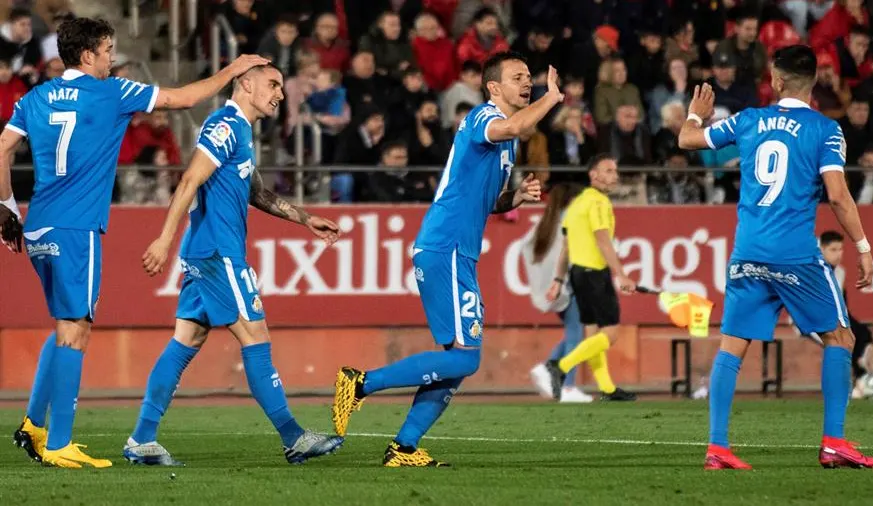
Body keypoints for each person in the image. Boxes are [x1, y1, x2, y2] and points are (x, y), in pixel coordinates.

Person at [0, 17, 268, 469]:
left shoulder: (35, 96)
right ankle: (60, 442)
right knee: (76, 331)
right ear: (87, 56)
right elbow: (182, 99)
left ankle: (33, 425)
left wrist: (7, 206)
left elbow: (2, 147)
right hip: (77, 227)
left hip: (40, 224)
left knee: (65, 324)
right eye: (107, 50)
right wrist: (232, 69)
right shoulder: (112, 92)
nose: (112, 58)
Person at [330, 52, 561, 467]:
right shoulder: (482, 118)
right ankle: (360, 383)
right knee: (465, 357)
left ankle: (403, 447)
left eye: (530, 77)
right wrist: (552, 98)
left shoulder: (504, 139)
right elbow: (515, 124)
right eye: (519, 77)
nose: (528, 83)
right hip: (446, 246)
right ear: (494, 88)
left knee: (455, 360)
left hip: (456, 251)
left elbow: (487, 199)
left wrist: (516, 196)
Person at [127, 64, 344, 466]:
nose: (279, 93)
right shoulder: (223, 126)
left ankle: (141, 438)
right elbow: (190, 180)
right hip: (218, 253)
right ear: (245, 83)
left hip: (207, 252)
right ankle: (294, 437)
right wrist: (163, 239)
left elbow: (257, 193)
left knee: (186, 341)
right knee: (256, 336)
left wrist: (304, 218)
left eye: (281, 85)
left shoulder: (241, 130)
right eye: (272, 84)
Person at [677, 45, 873, 470]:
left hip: (748, 253)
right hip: (795, 255)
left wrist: (696, 113)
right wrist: (862, 247)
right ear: (814, 82)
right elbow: (839, 197)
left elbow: (688, 139)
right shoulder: (826, 130)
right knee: (841, 339)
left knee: (731, 347)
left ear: (777, 80)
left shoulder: (749, 119)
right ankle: (834, 442)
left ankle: (718, 447)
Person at [545, 155, 638, 402]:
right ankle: (561, 366)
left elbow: (565, 248)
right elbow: (602, 240)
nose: (614, 176)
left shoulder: (575, 205)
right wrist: (621, 275)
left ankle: (606, 388)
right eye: (608, 171)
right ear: (593, 175)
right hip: (595, 272)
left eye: (615, 171)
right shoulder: (599, 203)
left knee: (594, 332)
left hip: (577, 273)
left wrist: (557, 279)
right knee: (611, 333)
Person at [523, 183, 592, 403]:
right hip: (568, 286)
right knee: (576, 335)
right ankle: (567, 385)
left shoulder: (548, 224)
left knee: (575, 334)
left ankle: (549, 368)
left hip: (558, 287)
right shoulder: (569, 222)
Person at [817, 231, 873, 397]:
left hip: (835, 318)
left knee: (862, 333)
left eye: (840, 249)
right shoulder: (814, 272)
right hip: (811, 322)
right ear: (821, 249)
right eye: (833, 249)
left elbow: (843, 309)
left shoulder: (840, 273)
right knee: (843, 338)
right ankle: (854, 380)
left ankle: (861, 377)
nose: (838, 254)